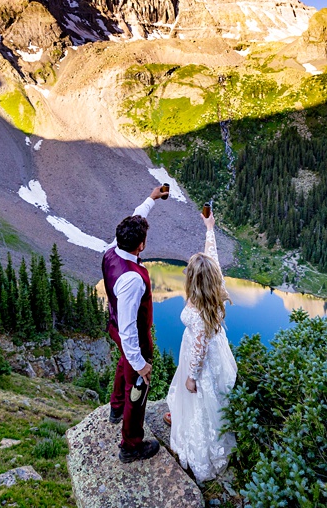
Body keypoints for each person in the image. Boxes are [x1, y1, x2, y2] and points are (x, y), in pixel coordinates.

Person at [165, 211, 237, 482]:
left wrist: (192, 377)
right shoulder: (216, 289)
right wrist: (210, 229)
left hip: (201, 364)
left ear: (193, 282)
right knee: (215, 399)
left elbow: (198, 350)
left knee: (198, 401)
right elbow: (213, 260)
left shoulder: (196, 311)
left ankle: (201, 452)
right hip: (219, 354)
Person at [103, 185, 166, 463]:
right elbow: (130, 328)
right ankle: (131, 445)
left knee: (122, 363)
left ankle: (115, 408)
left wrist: (151, 199)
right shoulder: (132, 279)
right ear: (140, 246)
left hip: (114, 327)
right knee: (138, 389)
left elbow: (135, 217)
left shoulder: (112, 249)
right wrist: (140, 362)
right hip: (131, 335)